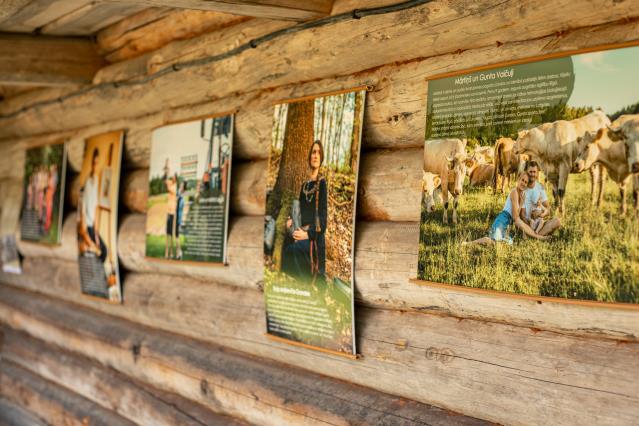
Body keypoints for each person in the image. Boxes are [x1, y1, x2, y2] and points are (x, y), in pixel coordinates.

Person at [282, 140, 327, 282]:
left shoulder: (322, 184)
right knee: (284, 245)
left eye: (319, 152)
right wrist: (290, 219)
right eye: (313, 152)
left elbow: (323, 222)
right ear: (309, 157)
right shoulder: (304, 186)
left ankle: (305, 286)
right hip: (299, 230)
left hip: (313, 237)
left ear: (321, 158)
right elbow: (299, 211)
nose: (316, 155)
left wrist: (307, 234)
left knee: (292, 251)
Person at [464, 171, 549, 246]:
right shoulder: (514, 192)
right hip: (502, 219)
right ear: (518, 180)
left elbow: (519, 215)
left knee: (507, 243)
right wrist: (535, 235)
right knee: (493, 242)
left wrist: (531, 218)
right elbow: (516, 218)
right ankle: (468, 243)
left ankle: (535, 236)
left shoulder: (521, 196)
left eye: (526, 182)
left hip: (507, 224)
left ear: (527, 185)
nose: (523, 183)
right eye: (522, 180)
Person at [80, 149, 107, 263]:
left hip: (93, 223)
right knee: (100, 251)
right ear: (92, 163)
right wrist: (84, 221)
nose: (96, 165)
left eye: (97, 162)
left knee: (103, 251)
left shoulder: (97, 179)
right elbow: (84, 203)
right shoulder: (88, 181)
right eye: (94, 162)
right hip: (87, 222)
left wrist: (96, 224)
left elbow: (96, 204)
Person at [521, 161, 561, 237]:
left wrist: (542, 214)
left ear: (537, 173)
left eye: (534, 172)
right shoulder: (522, 187)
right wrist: (529, 224)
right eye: (530, 172)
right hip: (527, 223)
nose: (532, 174)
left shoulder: (540, 187)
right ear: (526, 172)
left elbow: (548, 209)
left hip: (539, 223)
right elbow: (522, 215)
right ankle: (537, 236)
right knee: (521, 225)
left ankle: (535, 235)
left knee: (557, 221)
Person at [164, 171, 178, 259]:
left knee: (172, 234)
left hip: (173, 213)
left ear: (175, 179)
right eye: (172, 177)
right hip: (168, 213)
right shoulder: (170, 183)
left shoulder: (174, 187)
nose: (172, 179)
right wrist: (166, 171)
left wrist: (167, 182)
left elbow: (169, 188)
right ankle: (166, 252)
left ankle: (172, 252)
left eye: (173, 178)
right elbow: (165, 180)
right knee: (167, 233)